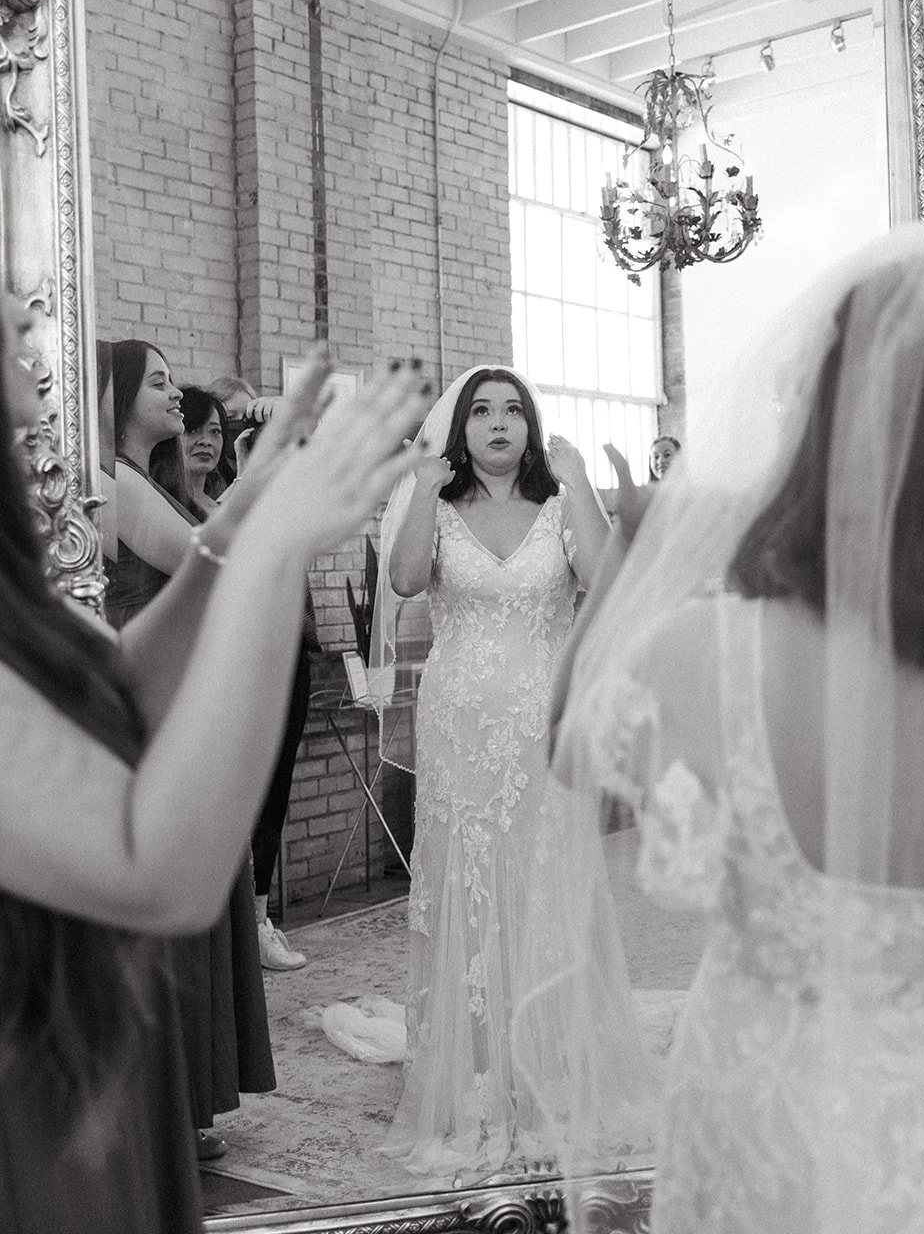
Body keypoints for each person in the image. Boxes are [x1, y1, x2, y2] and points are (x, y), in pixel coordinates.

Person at [549, 222, 924, 1234]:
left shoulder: (714, 651)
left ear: (824, 421)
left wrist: (625, 550)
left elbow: (569, 741)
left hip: (774, 1132)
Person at [0, 292, 427, 1232]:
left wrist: (229, 539)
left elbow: (118, 695)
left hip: (76, 1052)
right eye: (7, 309)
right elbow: (163, 880)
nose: (27, 322)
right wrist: (277, 553)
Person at [372, 364, 650, 1180]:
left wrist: (585, 488)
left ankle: (553, 1064)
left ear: (531, 429)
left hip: (540, 723)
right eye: (482, 412)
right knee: (468, 880)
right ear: (460, 431)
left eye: (513, 413)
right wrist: (421, 490)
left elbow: (604, 580)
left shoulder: (563, 506)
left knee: (545, 878)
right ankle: (475, 1068)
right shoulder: (442, 508)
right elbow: (405, 580)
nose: (498, 424)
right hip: (459, 723)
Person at [108, 341, 277, 1158]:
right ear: (111, 392)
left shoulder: (161, 486)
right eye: (160, 382)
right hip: (144, 712)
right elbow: (208, 564)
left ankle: (188, 1098)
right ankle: (157, 1104)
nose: (177, 395)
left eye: (177, 381)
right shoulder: (112, 483)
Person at [207, 373, 316, 971]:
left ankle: (259, 915)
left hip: (288, 642)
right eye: (224, 424)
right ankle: (227, 930)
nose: (227, 436)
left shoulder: (273, 478)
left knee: (274, 788)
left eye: (243, 423)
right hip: (231, 653)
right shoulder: (208, 486)